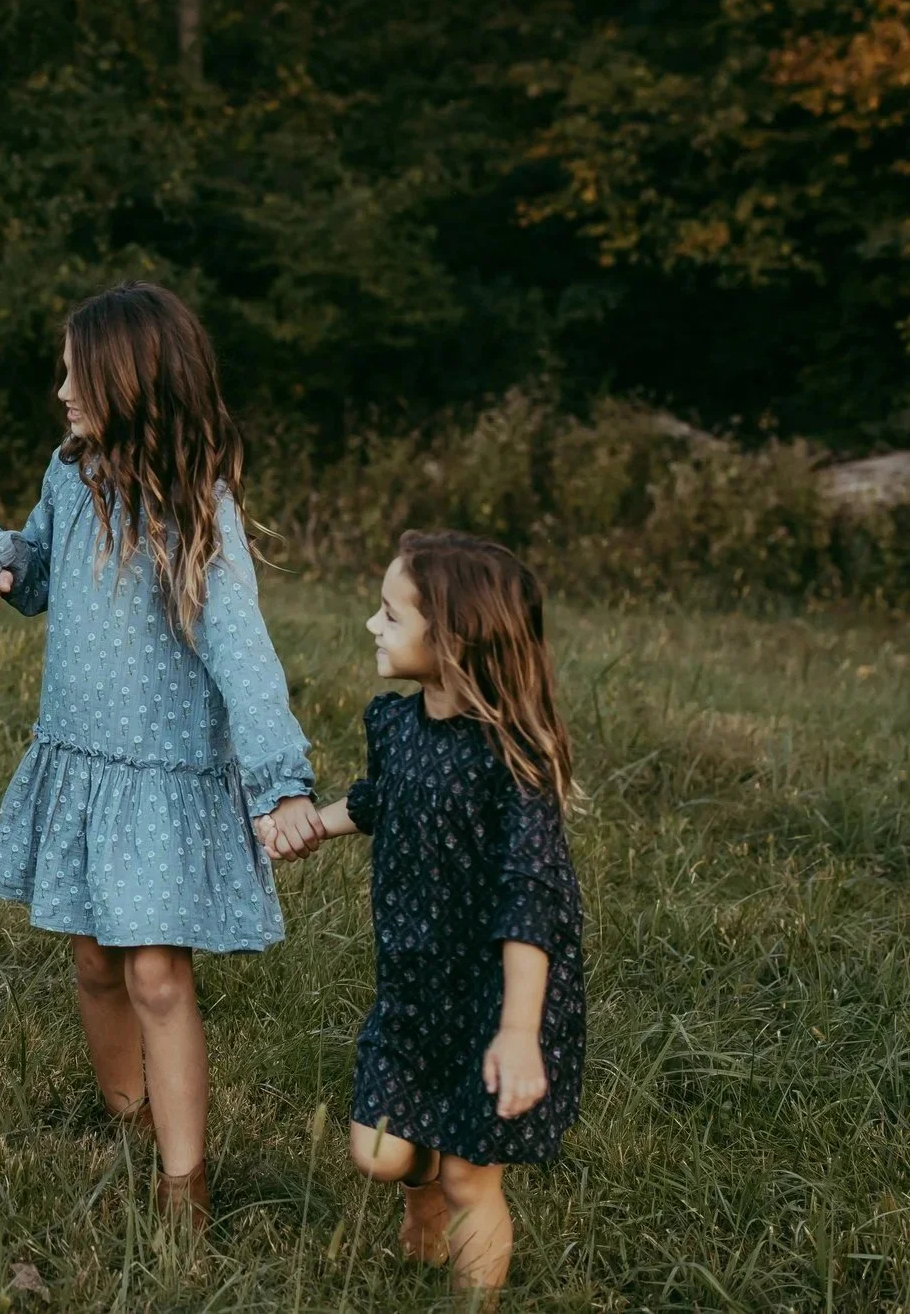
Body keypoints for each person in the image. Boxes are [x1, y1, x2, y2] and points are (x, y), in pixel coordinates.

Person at [0, 282, 324, 1228]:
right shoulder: (70, 474)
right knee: (94, 962)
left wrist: (278, 783)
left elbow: (242, 649)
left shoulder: (195, 508)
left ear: (133, 381)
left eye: (78, 374)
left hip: (159, 780)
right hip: (83, 765)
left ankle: (183, 1183)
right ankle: (129, 1121)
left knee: (155, 973)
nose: (62, 390)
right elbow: (36, 567)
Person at [274, 531, 585, 1302]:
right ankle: (421, 1194)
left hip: (496, 996)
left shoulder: (513, 760)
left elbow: (533, 900)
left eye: (390, 614)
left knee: (468, 1176)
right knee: (379, 1152)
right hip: (415, 980)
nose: (371, 625)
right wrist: (310, 826)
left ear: (452, 640)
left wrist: (519, 1030)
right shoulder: (397, 724)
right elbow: (386, 798)